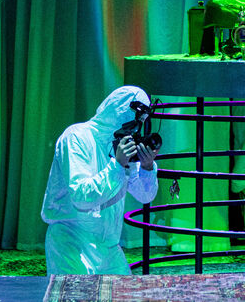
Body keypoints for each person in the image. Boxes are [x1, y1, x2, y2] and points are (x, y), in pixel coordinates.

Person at [41, 85, 159, 274]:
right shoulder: (76, 137)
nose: (136, 127)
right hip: (72, 242)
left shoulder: (121, 145)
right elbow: (81, 196)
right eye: (136, 119)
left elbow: (145, 196)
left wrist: (146, 168)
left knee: (127, 290)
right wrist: (117, 165)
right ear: (121, 111)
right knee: (74, 291)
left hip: (109, 247)